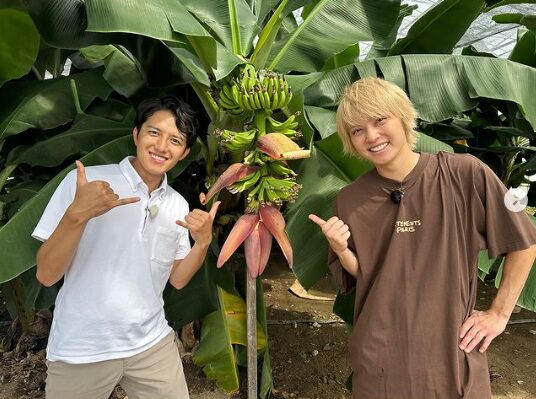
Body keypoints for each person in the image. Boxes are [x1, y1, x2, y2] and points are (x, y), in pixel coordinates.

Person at [309, 77, 536, 399]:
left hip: (451, 352)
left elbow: (525, 243)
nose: (371, 136)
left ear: (403, 118)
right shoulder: (350, 199)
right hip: (381, 357)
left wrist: (498, 314)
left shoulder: (465, 174)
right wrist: (341, 248)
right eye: (357, 130)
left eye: (379, 120)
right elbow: (368, 275)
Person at [32, 95, 219, 399]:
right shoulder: (87, 183)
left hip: (151, 345)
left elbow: (179, 278)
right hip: (83, 349)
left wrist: (204, 242)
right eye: (154, 132)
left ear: (184, 153)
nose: (161, 146)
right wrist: (77, 215)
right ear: (136, 134)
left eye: (175, 140)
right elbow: (46, 274)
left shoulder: (176, 204)